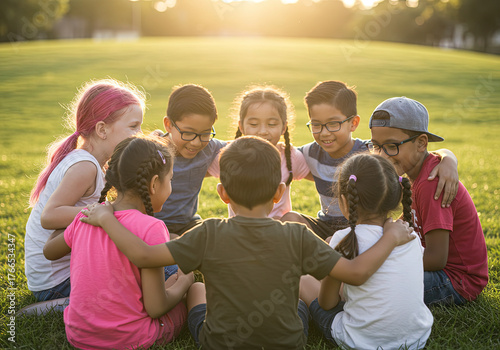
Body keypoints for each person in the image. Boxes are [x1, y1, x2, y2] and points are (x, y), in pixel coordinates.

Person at [80, 136, 415, 349]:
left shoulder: (208, 232)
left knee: (197, 289)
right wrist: (391, 235)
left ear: (222, 193)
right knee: (301, 284)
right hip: (287, 340)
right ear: (279, 193)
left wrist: (108, 218)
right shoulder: (297, 234)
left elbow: (144, 255)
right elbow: (353, 274)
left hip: (219, 342)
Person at [40, 136, 193, 349]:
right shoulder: (151, 228)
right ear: (154, 184)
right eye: (171, 179)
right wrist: (185, 282)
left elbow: (49, 251)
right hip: (133, 338)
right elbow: (156, 307)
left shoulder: (87, 217)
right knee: (188, 291)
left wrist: (79, 213)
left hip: (78, 335)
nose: (171, 185)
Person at [281, 80, 459, 240]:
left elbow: (415, 151)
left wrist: (448, 158)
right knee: (290, 220)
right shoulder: (309, 154)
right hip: (325, 226)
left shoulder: (371, 151)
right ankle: (322, 257)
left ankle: (329, 258)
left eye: (333, 123)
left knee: (333, 245)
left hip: (364, 228)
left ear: (354, 123)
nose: (324, 132)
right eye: (316, 125)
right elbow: (279, 159)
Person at [24, 78, 145, 301]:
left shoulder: (94, 162)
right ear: (102, 129)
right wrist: (105, 212)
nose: (140, 133)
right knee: (147, 276)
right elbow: (49, 216)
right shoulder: (85, 166)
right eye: (133, 126)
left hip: (63, 271)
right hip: (56, 282)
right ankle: (65, 305)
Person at [300, 153, 433, 350]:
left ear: (344, 200)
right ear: (395, 197)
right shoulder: (409, 236)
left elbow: (327, 303)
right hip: (416, 338)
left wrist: (331, 264)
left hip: (360, 341)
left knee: (303, 278)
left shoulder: (343, 241)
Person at [369, 96, 488, 306]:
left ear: (421, 143)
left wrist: (383, 257)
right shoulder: (414, 173)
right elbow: (407, 223)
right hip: (439, 270)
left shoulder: (432, 183)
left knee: (375, 279)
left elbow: (436, 258)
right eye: (377, 146)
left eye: (391, 146)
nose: (383, 155)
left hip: (456, 281)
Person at [214, 86, 310, 219]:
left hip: (278, 233)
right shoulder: (229, 154)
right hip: (240, 230)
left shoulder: (290, 157)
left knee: (292, 218)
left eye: (271, 124)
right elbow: (198, 169)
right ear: (241, 126)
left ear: (283, 127)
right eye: (254, 124)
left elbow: (320, 175)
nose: (263, 131)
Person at [155, 84, 226, 236]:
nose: (196, 142)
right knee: (174, 244)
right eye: (188, 133)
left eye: (205, 133)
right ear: (168, 125)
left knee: (213, 236)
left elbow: (244, 148)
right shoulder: (151, 150)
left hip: (188, 223)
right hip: (151, 223)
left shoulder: (210, 148)